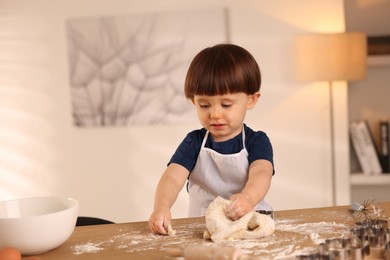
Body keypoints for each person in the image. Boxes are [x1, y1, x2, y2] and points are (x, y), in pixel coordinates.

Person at [148, 43, 274, 235]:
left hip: (250, 222)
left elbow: (261, 173)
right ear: (193, 101)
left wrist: (248, 199)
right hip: (203, 227)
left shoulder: (256, 141)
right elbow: (172, 177)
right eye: (205, 105)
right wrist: (161, 207)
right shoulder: (194, 143)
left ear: (251, 100)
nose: (215, 114)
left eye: (226, 104)